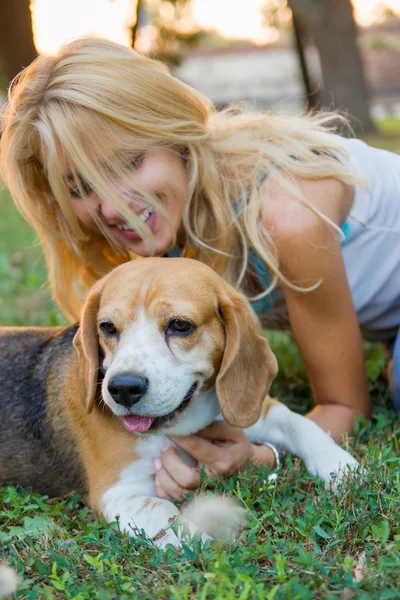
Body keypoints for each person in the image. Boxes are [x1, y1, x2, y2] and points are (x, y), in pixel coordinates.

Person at [1, 37, 399, 502]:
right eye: (79, 186)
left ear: (175, 134)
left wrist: (258, 454)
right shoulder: (165, 231)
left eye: (129, 161)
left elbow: (343, 407)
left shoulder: (288, 215)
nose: (112, 207)